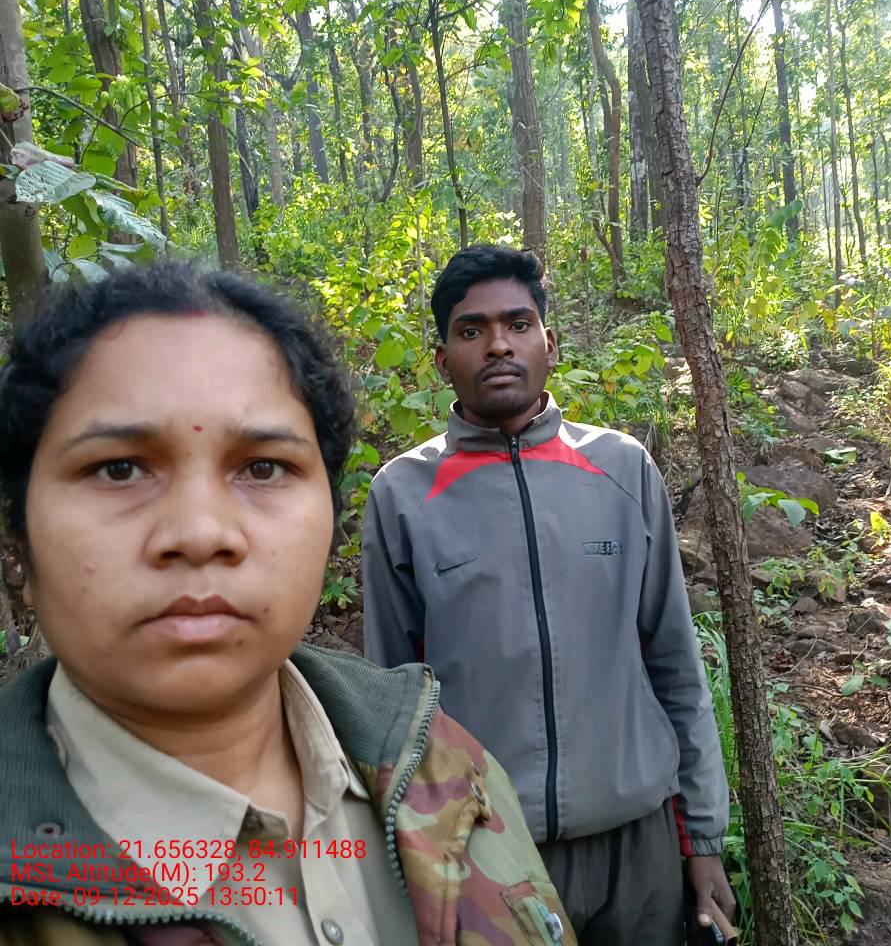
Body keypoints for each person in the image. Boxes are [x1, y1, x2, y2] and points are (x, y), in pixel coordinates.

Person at [0, 261, 577, 946]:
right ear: (19, 537)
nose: (201, 533)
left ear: (329, 521)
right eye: (118, 468)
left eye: (263, 467)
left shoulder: (441, 759)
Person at [362, 244, 736, 946]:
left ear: (550, 344)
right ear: (442, 360)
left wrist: (704, 839)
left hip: (638, 845)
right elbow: (392, 701)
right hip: (488, 852)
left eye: (518, 323)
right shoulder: (403, 496)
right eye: (471, 330)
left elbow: (674, 664)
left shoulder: (622, 468)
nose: (498, 344)